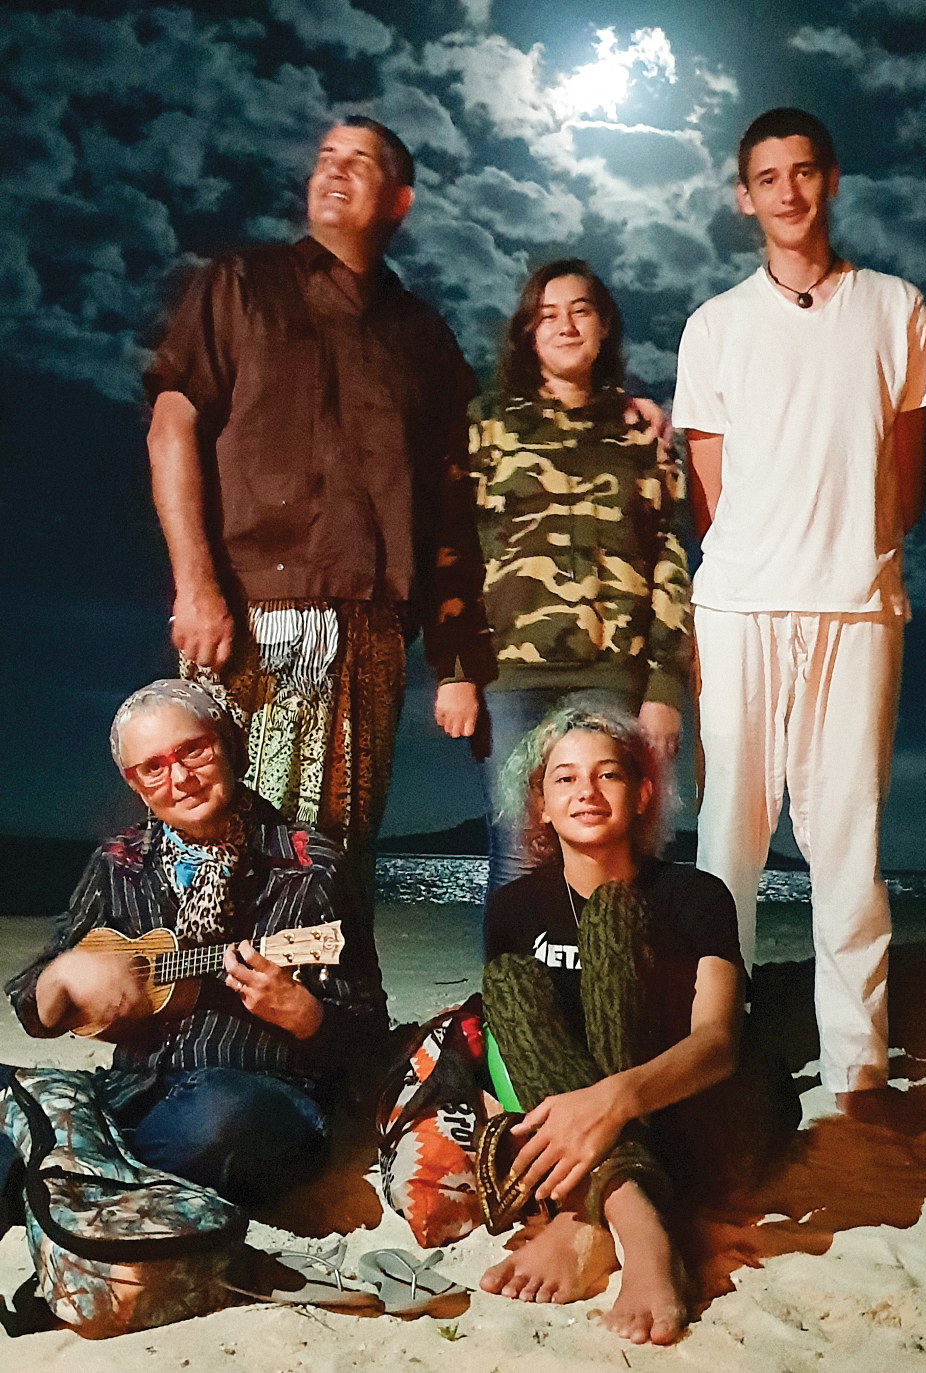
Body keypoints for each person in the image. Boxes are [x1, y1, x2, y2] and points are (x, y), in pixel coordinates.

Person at [144, 117, 495, 910]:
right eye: (325, 157)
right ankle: (201, 990)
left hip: (370, 632)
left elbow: (456, 501)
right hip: (244, 613)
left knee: (334, 853)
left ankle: (320, 990)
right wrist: (194, 584)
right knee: (217, 841)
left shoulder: (424, 337)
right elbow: (172, 426)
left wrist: (455, 658)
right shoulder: (242, 284)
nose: (333, 170)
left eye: (359, 162)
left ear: (398, 200)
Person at [671, 109, 926, 1118]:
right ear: (744, 197)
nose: (786, 192)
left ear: (827, 181)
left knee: (847, 841)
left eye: (802, 172)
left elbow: (905, 478)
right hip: (739, 607)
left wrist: (845, 554)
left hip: (857, 608)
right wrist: (766, 558)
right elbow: (709, 493)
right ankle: (715, 1054)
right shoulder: (715, 325)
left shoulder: (894, 308)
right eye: (766, 177)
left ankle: (855, 1070)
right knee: (728, 838)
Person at [479, 697, 795, 1346]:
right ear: (542, 804)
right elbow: (519, 1047)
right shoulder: (514, 907)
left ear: (643, 792)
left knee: (614, 916)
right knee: (506, 981)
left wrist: (610, 1100)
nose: (586, 791)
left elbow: (717, 1044)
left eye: (609, 774)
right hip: (596, 1140)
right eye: (565, 777)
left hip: (701, 1113)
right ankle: (633, 1216)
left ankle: (600, 1223)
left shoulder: (695, 894)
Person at [5, 681, 389, 1207]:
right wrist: (63, 976)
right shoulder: (118, 863)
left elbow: (371, 1042)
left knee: (221, 1117)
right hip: (135, 1092)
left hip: (260, 1097)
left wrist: (306, 1016)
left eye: (194, 751)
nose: (180, 779)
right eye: (153, 767)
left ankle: (70, 1173)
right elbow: (36, 1008)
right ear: (135, 784)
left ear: (230, 746)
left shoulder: (311, 867)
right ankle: (92, 1173)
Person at [469, 260, 692, 893]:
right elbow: (457, 548)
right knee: (521, 852)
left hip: (613, 675)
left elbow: (670, 559)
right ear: (528, 333)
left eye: (581, 311)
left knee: (612, 850)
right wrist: (457, 672)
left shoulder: (640, 432)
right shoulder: (489, 424)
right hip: (511, 676)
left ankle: (609, 963)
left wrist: (665, 687)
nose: (565, 326)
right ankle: (521, 965)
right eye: (548, 315)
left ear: (604, 326)